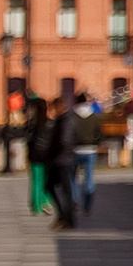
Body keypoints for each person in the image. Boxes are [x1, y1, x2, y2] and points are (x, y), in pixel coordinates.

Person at [43, 94, 82, 229]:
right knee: (61, 189)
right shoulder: (68, 119)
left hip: (61, 160)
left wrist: (51, 153)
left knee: (59, 188)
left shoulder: (64, 120)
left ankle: (65, 217)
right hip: (64, 159)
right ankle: (66, 218)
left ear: (59, 107)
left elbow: (64, 141)